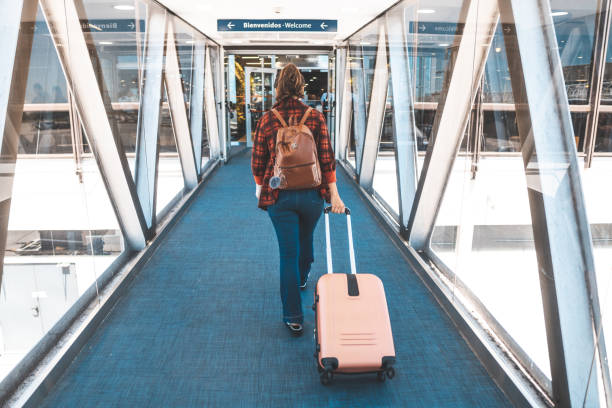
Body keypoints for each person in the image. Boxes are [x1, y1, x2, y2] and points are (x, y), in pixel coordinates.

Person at [251, 64, 345, 336]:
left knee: (287, 254)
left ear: (278, 87)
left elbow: (258, 163)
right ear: (302, 87)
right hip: (312, 194)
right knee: (305, 240)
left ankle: (293, 316)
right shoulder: (315, 117)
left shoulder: (268, 119)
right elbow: (327, 159)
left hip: (279, 194)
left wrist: (261, 188)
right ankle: (304, 276)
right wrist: (334, 195)